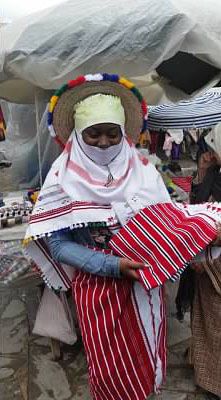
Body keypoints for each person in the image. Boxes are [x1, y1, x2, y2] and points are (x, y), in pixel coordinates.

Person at [25, 73, 172, 400]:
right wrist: (112, 265)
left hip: (145, 285)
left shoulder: (145, 169)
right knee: (108, 369)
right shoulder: (62, 180)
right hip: (97, 288)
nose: (104, 142)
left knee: (146, 358)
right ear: (77, 135)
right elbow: (60, 246)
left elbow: (168, 221)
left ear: (123, 134)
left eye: (111, 134)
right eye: (93, 135)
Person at [179, 123, 221, 400]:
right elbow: (197, 207)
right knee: (206, 319)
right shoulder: (215, 172)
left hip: (214, 261)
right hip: (208, 260)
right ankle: (204, 367)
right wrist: (203, 172)